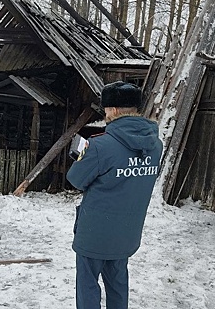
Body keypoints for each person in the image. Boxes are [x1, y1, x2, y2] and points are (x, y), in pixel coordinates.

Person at [66, 81, 163, 309]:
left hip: (95, 232)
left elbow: (76, 179)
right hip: (127, 231)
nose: (106, 114)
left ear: (115, 110)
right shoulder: (155, 145)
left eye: (107, 109)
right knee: (118, 283)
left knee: (88, 285)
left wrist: (83, 158)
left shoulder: (100, 146)